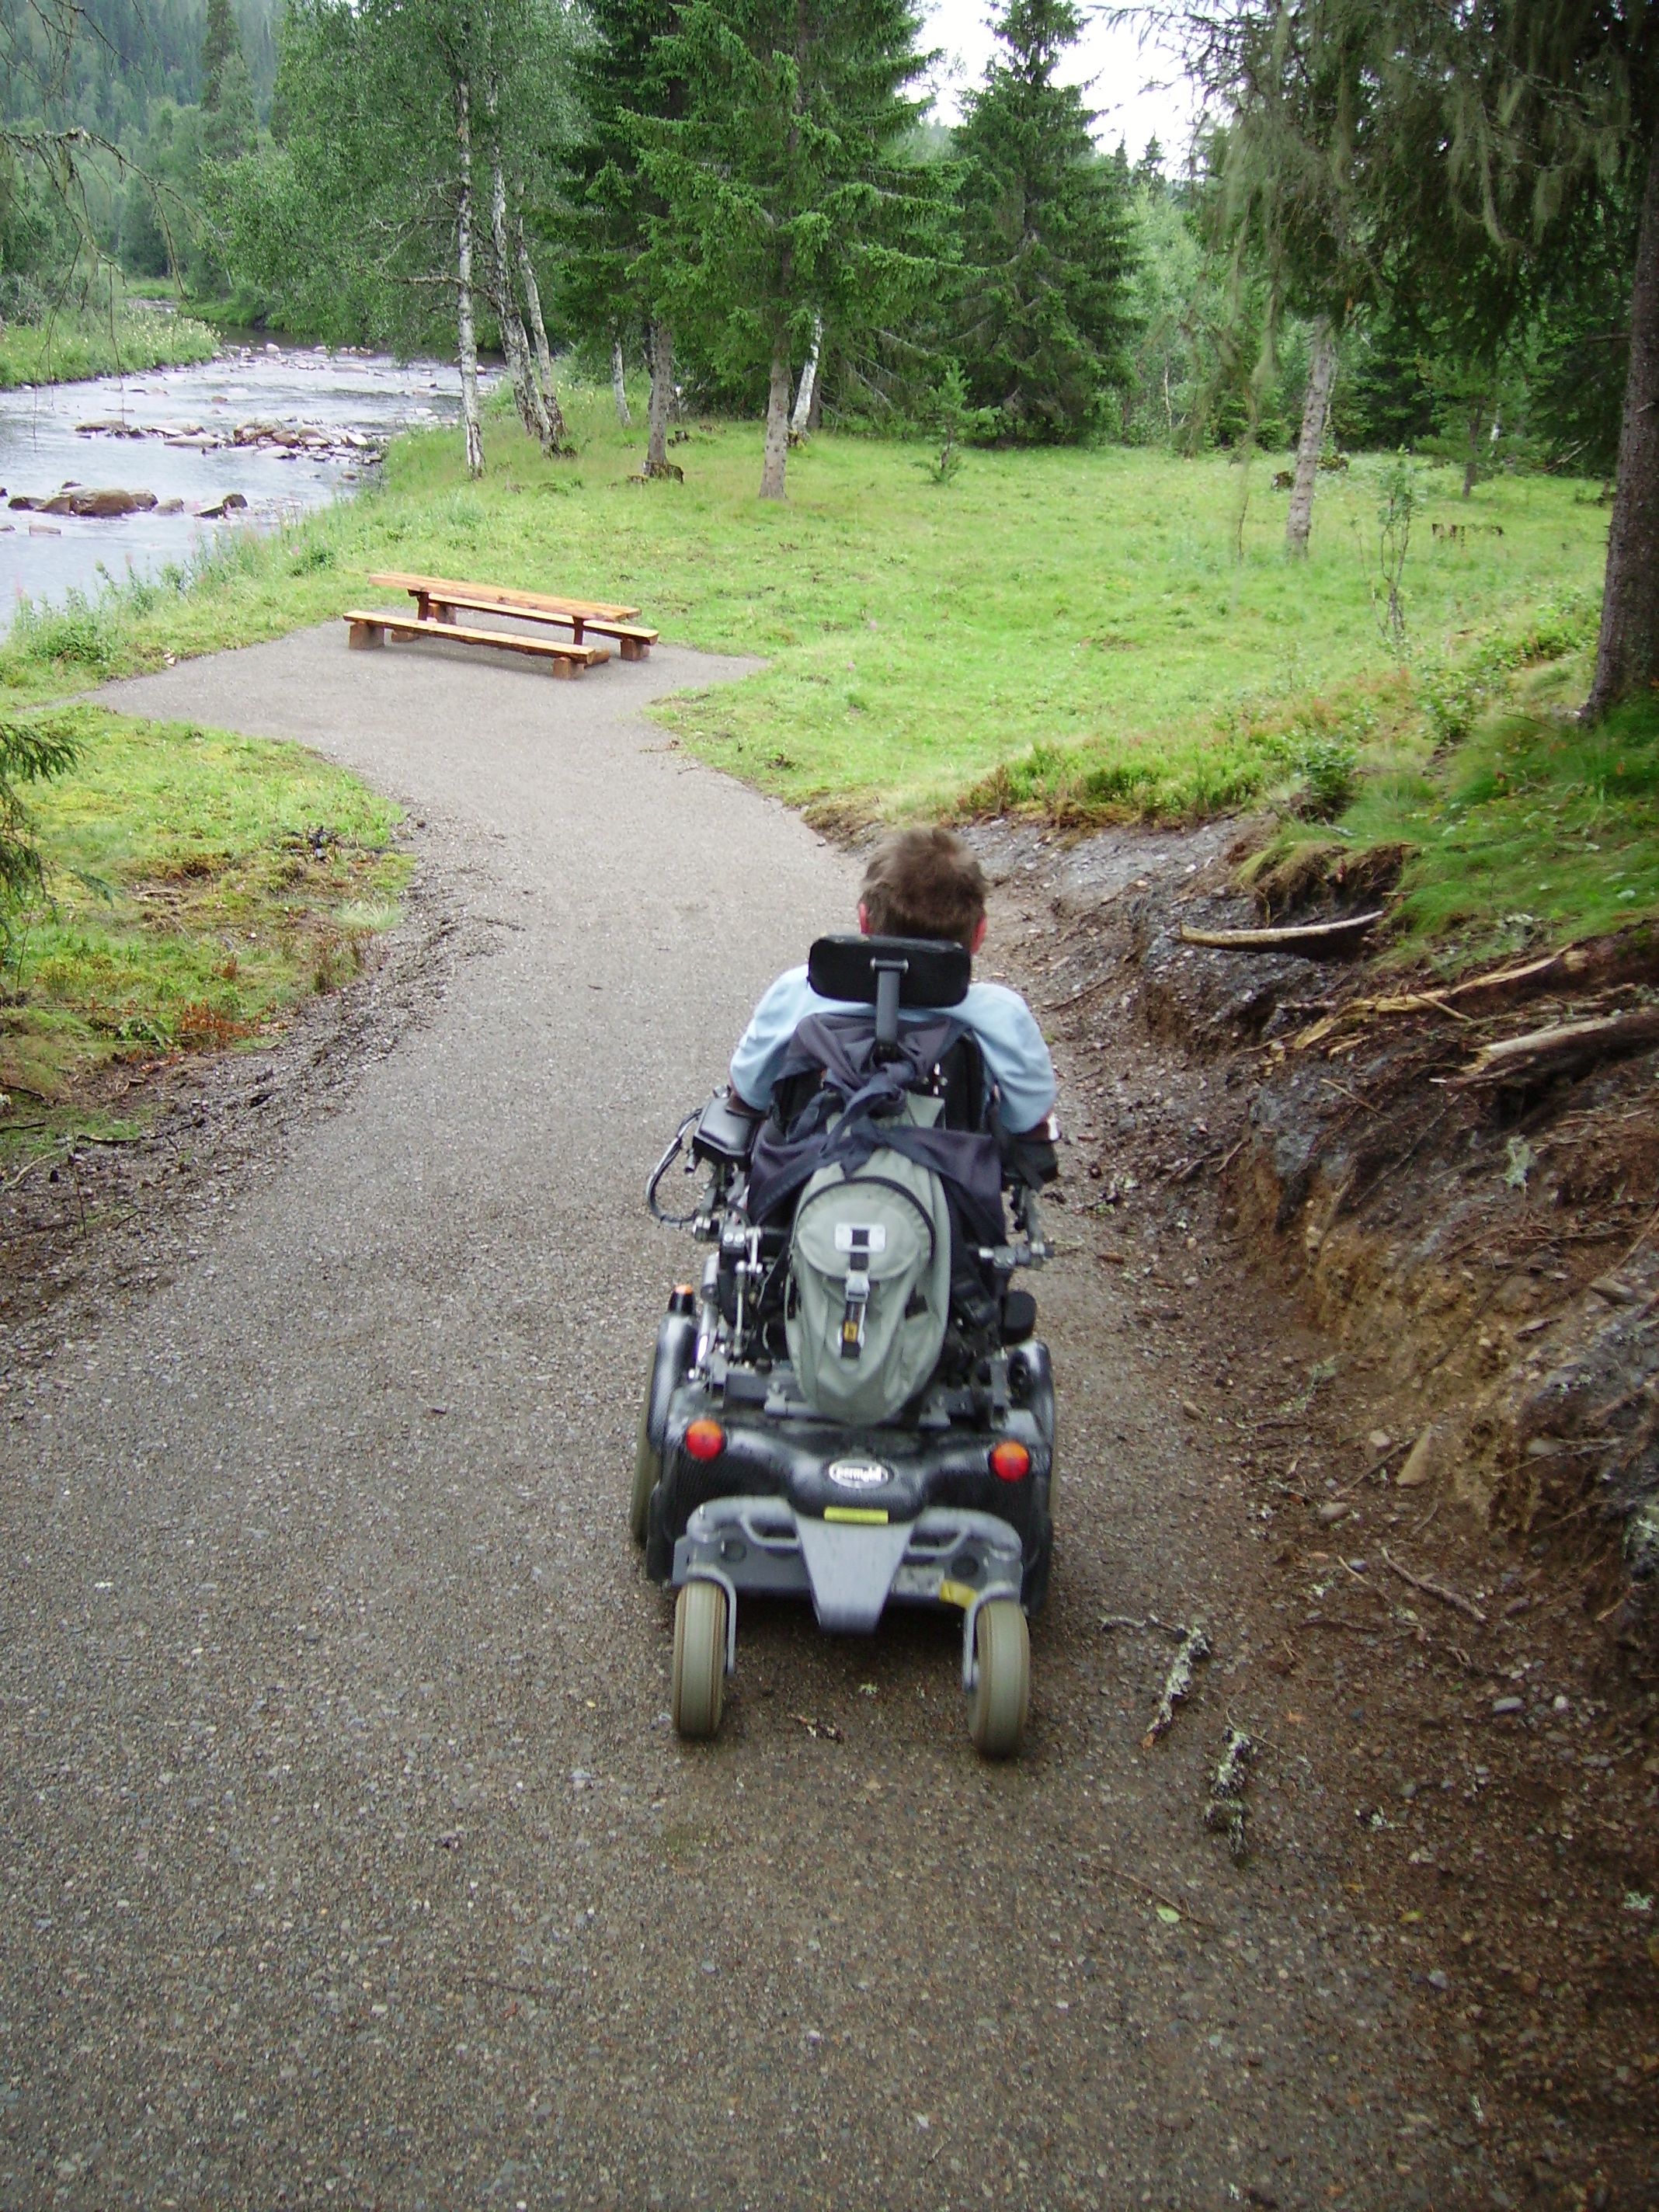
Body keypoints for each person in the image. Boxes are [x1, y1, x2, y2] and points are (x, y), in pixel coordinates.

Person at [729, 826, 1057, 1135]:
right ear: (979, 934)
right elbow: (1030, 1117)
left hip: (814, 1171)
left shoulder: (800, 990)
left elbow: (749, 1092)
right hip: (945, 1175)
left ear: (863, 921)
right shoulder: (1000, 1013)